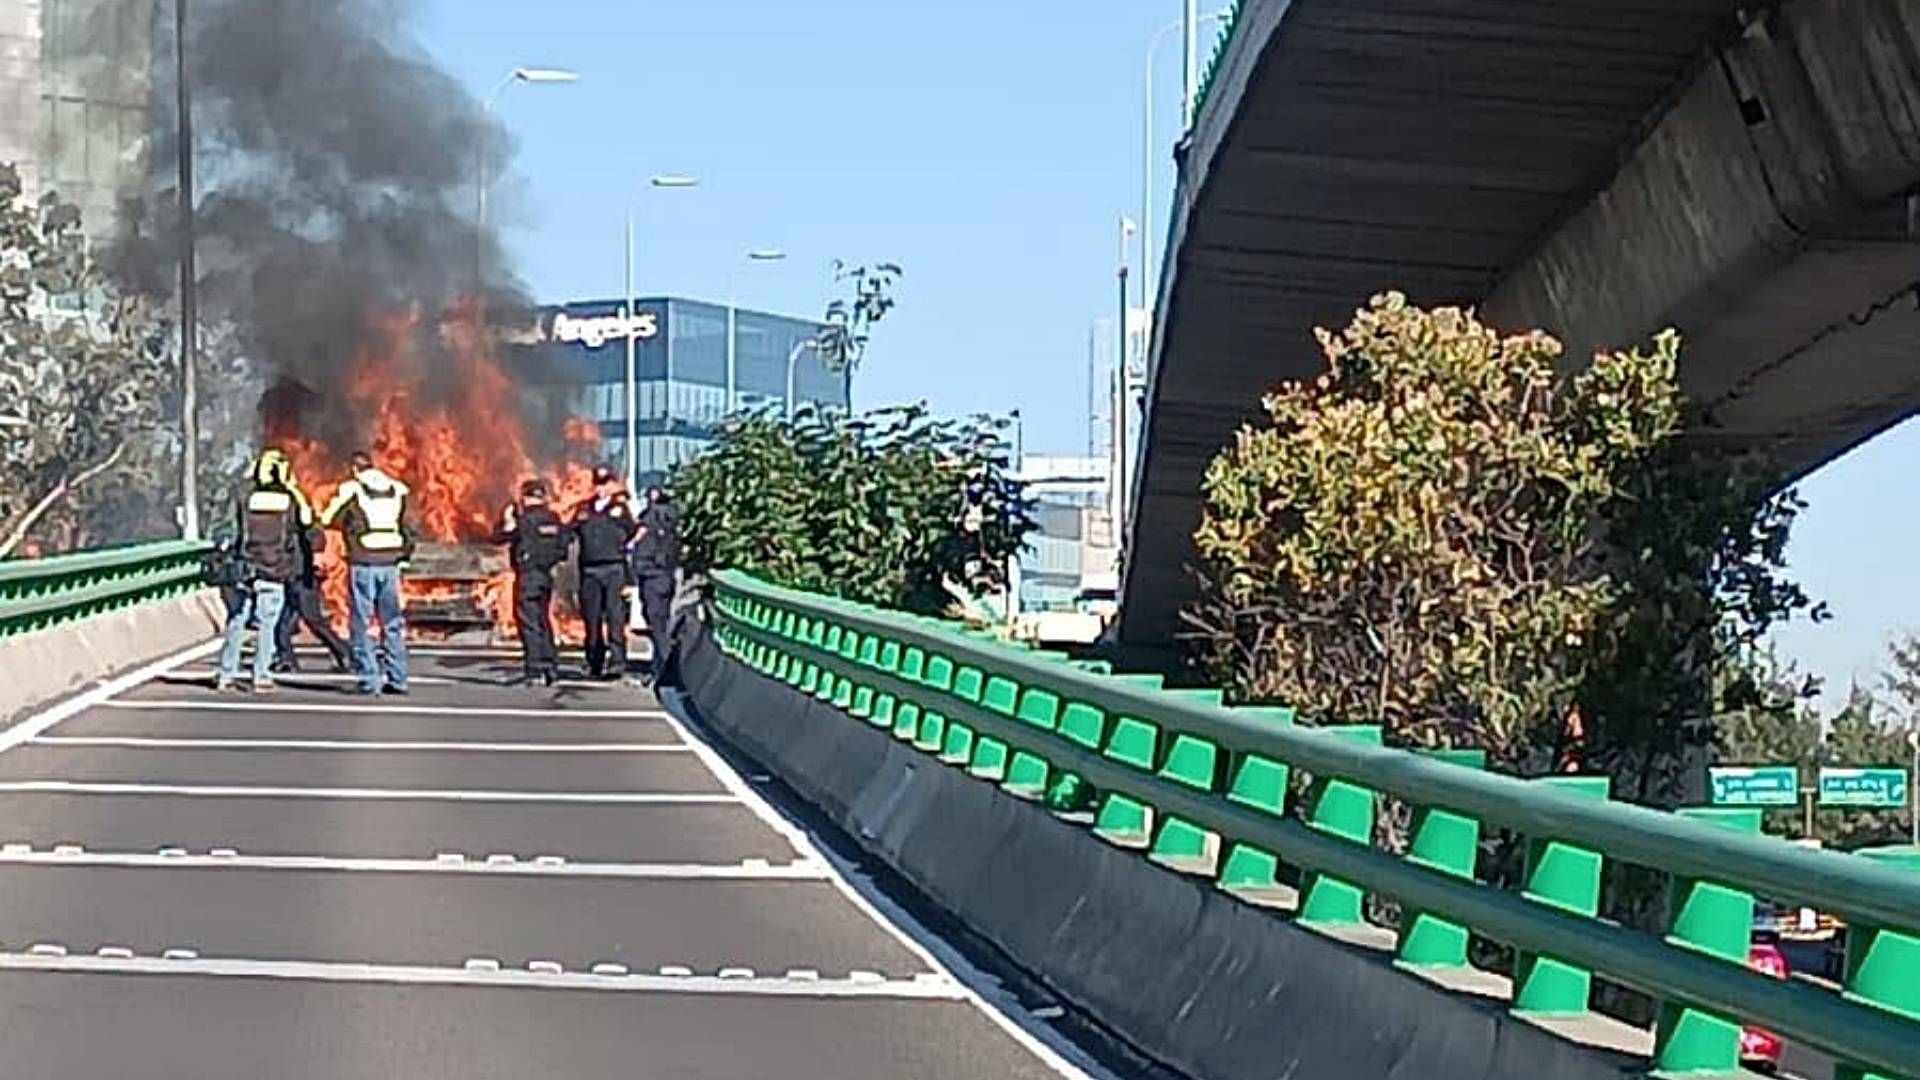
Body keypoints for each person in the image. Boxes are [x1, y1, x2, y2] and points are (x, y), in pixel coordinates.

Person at [320, 450, 414, 695]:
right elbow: (408, 528)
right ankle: (398, 678)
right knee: (392, 622)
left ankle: (369, 678)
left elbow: (329, 517)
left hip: (364, 562)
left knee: (361, 621)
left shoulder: (352, 489)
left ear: (354, 469)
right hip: (391, 563)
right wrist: (403, 555)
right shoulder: (397, 489)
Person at [216, 449, 305, 692]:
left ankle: (226, 674)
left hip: (245, 568)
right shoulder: (288, 501)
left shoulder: (244, 498)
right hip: (273, 569)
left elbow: (229, 531)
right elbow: (305, 523)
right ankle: (261, 675)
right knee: (267, 624)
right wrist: (294, 487)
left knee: (237, 621)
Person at [269, 454, 350, 675]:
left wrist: (316, 557)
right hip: (289, 569)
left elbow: (314, 531)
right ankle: (287, 659)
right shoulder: (283, 499)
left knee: (311, 618)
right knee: (285, 620)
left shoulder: (295, 500)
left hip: (302, 571)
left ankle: (344, 653)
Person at [494, 479, 572, 686]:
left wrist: (507, 521)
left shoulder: (524, 520)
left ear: (526, 497)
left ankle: (535, 668)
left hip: (528, 575)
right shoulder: (554, 519)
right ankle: (550, 665)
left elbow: (498, 538)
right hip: (546, 575)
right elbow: (564, 547)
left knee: (529, 622)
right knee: (544, 620)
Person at [572, 465, 638, 680]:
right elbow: (569, 532)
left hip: (613, 569)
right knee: (591, 619)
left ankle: (617, 662)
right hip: (589, 570)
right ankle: (594, 661)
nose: (601, 488)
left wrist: (622, 549)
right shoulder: (583, 509)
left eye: (606, 483)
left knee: (615, 616)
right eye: (598, 484)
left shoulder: (620, 509)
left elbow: (634, 533)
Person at [629, 484, 681, 687]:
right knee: (662, 624)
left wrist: (635, 573)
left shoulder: (651, 521)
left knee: (657, 626)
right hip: (666, 577)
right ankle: (659, 668)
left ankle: (667, 672)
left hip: (652, 578)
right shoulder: (673, 521)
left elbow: (642, 552)